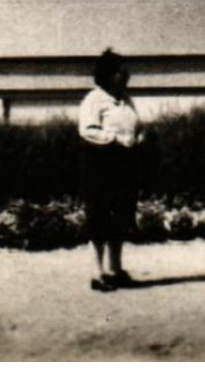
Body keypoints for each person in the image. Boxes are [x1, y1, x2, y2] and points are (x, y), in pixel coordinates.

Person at [79, 49, 144, 292]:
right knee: (99, 218)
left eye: (125, 70)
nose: (125, 75)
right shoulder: (94, 99)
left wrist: (140, 136)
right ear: (107, 75)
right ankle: (98, 274)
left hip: (124, 165)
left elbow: (136, 125)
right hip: (100, 165)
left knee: (121, 216)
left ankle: (116, 269)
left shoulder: (126, 99)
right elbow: (87, 130)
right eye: (119, 71)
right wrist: (115, 138)